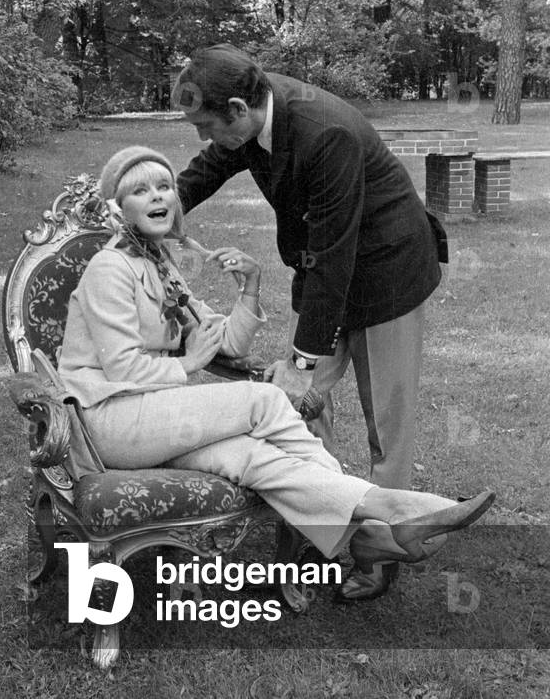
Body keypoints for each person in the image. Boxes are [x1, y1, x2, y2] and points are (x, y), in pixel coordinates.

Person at [56, 145, 493, 594]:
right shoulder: (110, 268)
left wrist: (250, 287)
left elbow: (223, 341)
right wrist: (188, 363)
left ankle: (368, 534)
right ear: (119, 209)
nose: (157, 197)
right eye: (140, 191)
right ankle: (394, 511)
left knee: (257, 458)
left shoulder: (157, 264)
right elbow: (123, 368)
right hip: (107, 419)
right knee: (263, 399)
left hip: (154, 421)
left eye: (165, 186)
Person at [173, 45, 450, 600]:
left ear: (236, 108)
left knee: (385, 425)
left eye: (207, 125)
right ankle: (325, 524)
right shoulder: (251, 115)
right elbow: (209, 168)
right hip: (327, 272)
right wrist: (154, 207)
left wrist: (302, 359)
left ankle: (381, 552)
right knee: (295, 407)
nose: (205, 137)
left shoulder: (327, 133)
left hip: (387, 271)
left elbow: (335, 252)